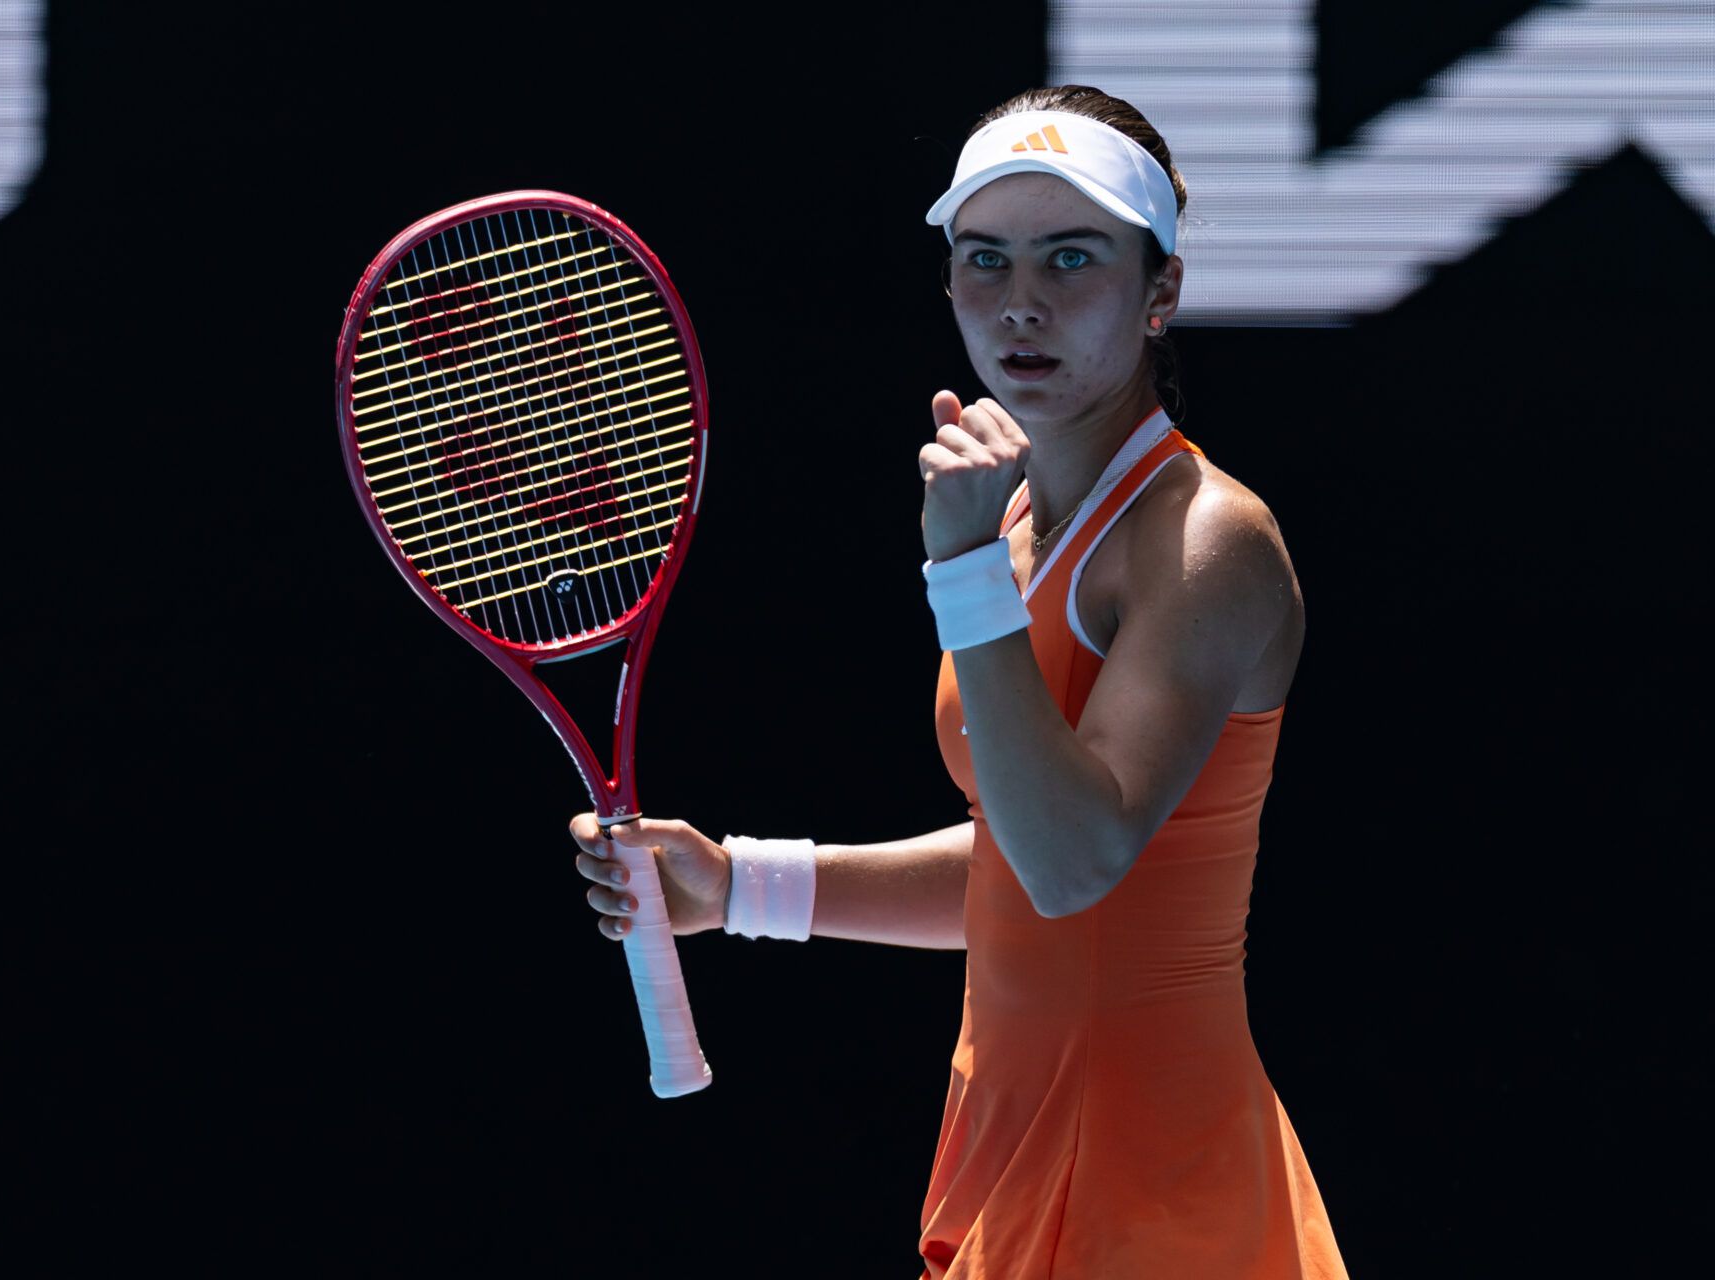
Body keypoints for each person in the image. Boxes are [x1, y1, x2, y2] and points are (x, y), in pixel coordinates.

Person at [569, 85, 1348, 1279]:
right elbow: (1017, 865)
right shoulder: (1025, 516)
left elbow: (1074, 863)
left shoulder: (1206, 541)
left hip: (1153, 1193)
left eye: (1070, 258)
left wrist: (966, 571)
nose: (1020, 300)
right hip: (1016, 1150)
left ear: (1161, 296)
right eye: (985, 260)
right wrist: (742, 883)